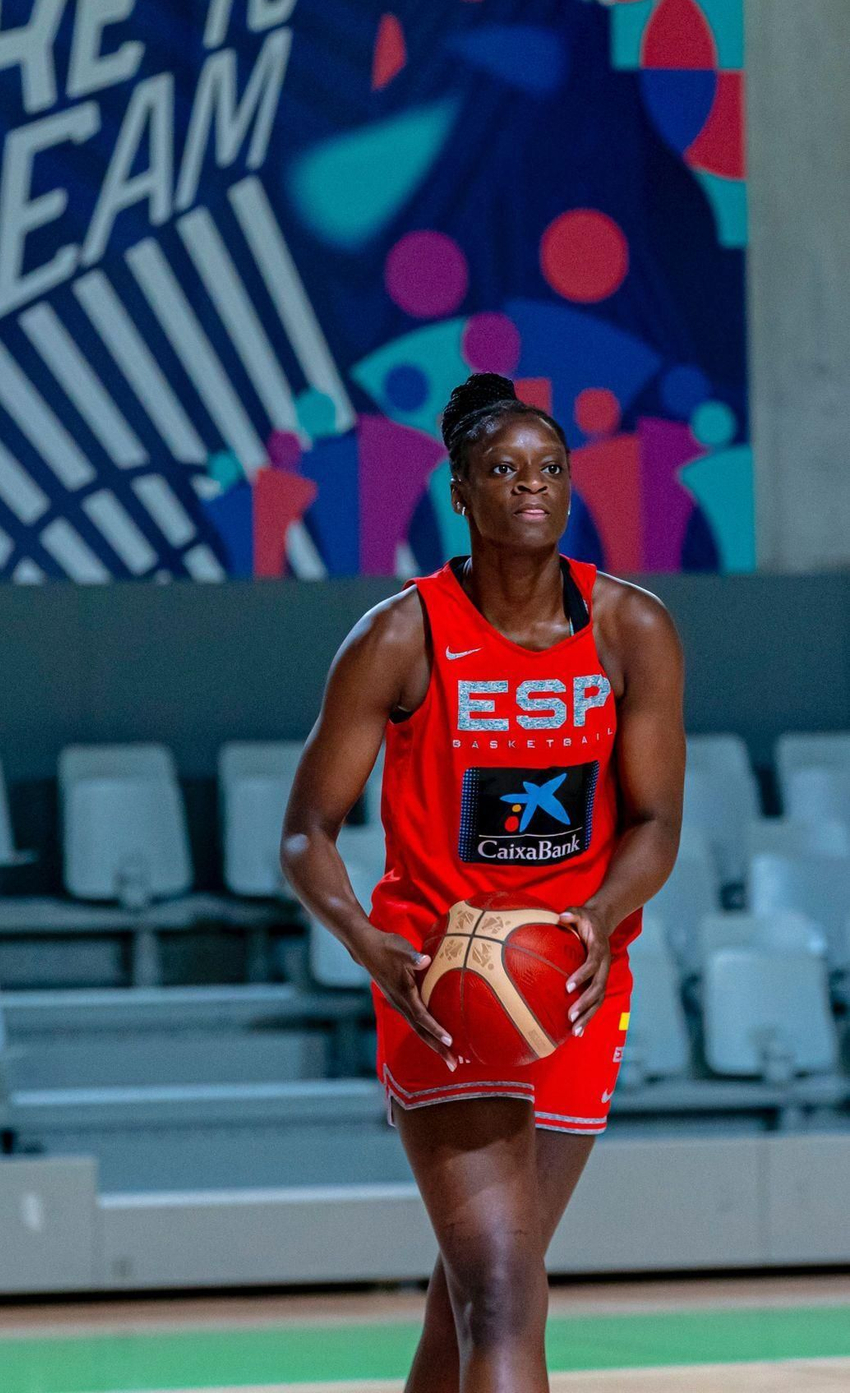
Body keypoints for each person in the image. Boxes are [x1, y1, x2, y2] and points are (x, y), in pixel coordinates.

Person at [281, 372, 684, 1393]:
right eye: (502, 471)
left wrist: (597, 914)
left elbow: (655, 824)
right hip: (441, 985)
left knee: (477, 1287)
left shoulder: (630, 628)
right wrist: (369, 949)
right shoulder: (398, 637)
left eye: (548, 468)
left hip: (575, 984)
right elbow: (305, 836)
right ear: (458, 491)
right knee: (503, 1291)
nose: (531, 488)